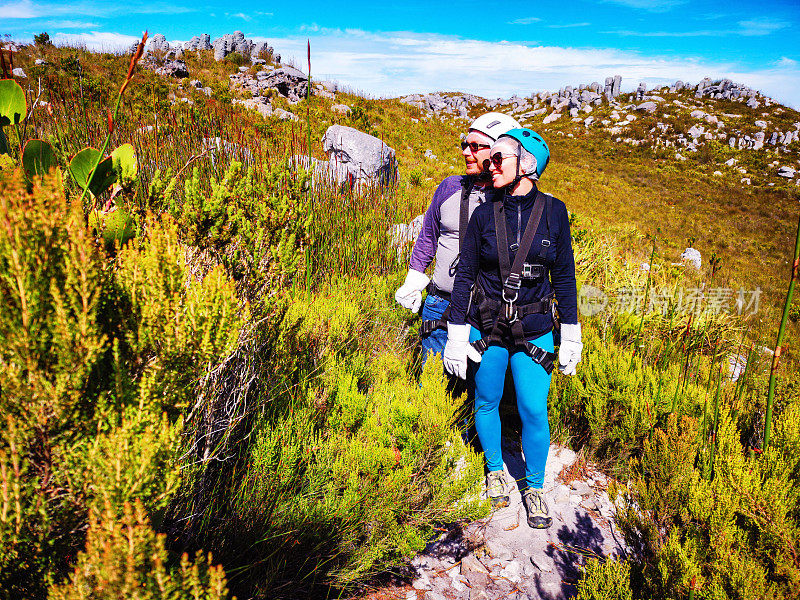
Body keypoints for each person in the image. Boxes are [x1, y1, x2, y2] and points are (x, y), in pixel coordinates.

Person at [443, 128, 583, 529]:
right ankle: (494, 470)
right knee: (485, 400)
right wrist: (456, 332)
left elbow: (566, 278)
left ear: (528, 165)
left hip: (535, 327)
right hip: (485, 325)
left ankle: (534, 488)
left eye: (500, 157)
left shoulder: (554, 213)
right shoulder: (484, 212)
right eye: (491, 158)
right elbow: (466, 273)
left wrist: (571, 333)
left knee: (533, 410)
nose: (490, 163)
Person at [394, 113, 522, 367]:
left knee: (479, 390)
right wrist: (414, 279)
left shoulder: (514, 200)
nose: (466, 152)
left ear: (499, 152)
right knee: (432, 387)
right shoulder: (449, 187)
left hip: (485, 314)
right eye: (465, 144)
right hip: (439, 303)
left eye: (475, 147)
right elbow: (428, 236)